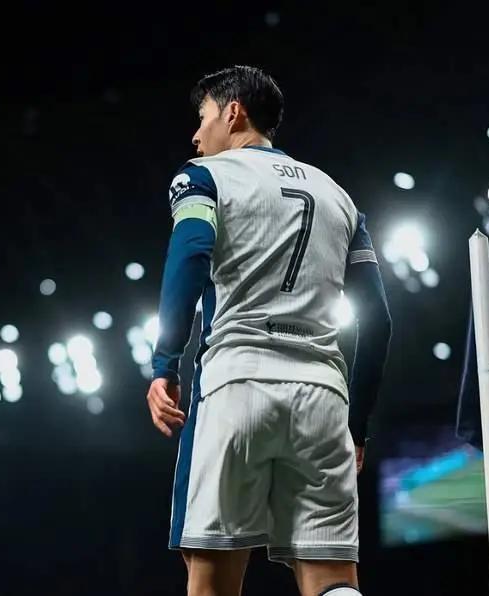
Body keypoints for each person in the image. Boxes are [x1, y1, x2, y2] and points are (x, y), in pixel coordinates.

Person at [146, 65, 391, 596]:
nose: (196, 135)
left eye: (203, 117)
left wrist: (165, 364)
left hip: (237, 384)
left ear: (233, 112)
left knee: (211, 579)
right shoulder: (339, 197)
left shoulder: (202, 176)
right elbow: (380, 321)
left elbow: (189, 259)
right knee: (332, 581)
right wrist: (357, 426)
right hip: (324, 398)